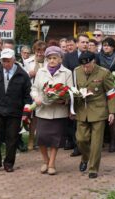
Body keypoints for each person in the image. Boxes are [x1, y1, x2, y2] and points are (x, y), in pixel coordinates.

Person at [0, 48, 32, 172]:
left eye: (7, 61)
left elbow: (28, 96)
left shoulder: (23, 75)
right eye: (3, 61)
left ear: (13, 60)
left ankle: (9, 163)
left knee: (12, 138)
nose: (5, 63)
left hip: (15, 111)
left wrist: (26, 112)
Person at [31, 46, 73, 175]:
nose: (52, 60)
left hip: (58, 111)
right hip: (43, 110)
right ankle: (45, 160)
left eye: (55, 58)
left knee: (55, 139)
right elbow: (34, 89)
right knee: (41, 137)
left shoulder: (67, 73)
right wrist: (36, 98)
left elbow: (70, 91)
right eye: (49, 58)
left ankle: (52, 163)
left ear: (60, 59)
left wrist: (63, 99)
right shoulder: (41, 71)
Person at [75, 52, 115, 178]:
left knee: (96, 142)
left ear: (94, 62)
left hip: (98, 110)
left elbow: (111, 92)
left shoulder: (104, 73)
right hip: (82, 110)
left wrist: (112, 112)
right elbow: (73, 90)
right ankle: (85, 157)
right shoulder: (76, 71)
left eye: (88, 65)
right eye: (83, 66)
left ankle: (93, 168)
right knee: (81, 139)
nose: (85, 68)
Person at [63, 34, 90, 156]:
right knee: (73, 121)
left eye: (87, 42)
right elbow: (65, 74)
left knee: (86, 120)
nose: (85, 44)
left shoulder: (94, 56)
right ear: (77, 44)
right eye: (83, 42)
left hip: (88, 94)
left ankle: (86, 145)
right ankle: (76, 145)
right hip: (73, 93)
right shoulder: (69, 57)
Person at [97, 37, 115, 152]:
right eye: (104, 45)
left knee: (113, 114)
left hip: (114, 86)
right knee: (101, 115)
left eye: (108, 45)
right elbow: (96, 70)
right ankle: (101, 141)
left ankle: (113, 141)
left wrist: (112, 80)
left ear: (113, 46)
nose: (106, 47)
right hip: (101, 87)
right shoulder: (98, 56)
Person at [24, 40, 47, 150]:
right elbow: (22, 77)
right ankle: (31, 139)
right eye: (38, 51)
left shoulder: (49, 61)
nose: (40, 53)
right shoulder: (28, 61)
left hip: (44, 93)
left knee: (41, 117)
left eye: (42, 51)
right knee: (32, 117)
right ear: (34, 51)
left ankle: (41, 140)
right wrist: (29, 74)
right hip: (31, 92)